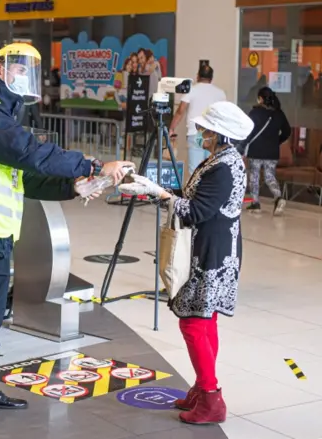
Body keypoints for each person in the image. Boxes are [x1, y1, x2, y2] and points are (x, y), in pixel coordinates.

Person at [0, 43, 134, 436]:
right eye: (21, 71)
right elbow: (29, 152)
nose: (26, 79)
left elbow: (26, 176)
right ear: (1, 69)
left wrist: (74, 185)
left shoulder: (3, 113)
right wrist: (92, 163)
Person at [119, 101, 254, 426]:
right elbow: (195, 197)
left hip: (211, 254)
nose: (201, 133)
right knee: (205, 320)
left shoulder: (223, 166)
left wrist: (161, 195)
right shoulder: (223, 159)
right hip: (217, 248)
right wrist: (159, 191)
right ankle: (201, 388)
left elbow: (195, 211)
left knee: (193, 322)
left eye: (207, 129)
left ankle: (211, 397)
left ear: (220, 134)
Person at [170, 64, 227, 174]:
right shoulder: (220, 93)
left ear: (197, 76)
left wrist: (171, 129)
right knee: (210, 169)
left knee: (195, 171)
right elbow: (222, 115)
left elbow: (180, 111)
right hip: (213, 135)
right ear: (211, 78)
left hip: (196, 133)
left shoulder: (191, 90)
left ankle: (195, 191)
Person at [245, 86, 291, 215]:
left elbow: (248, 130)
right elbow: (287, 131)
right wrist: (277, 141)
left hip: (256, 150)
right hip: (272, 152)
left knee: (254, 176)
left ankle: (255, 204)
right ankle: (278, 197)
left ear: (260, 98)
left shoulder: (255, 113)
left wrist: (243, 146)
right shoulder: (279, 113)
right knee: (269, 176)